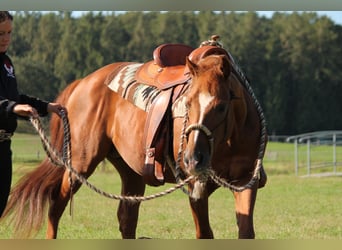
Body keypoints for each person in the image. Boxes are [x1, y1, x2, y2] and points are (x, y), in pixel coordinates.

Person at [0, 11, 65, 217]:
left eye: (9, 32)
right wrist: (12, 108)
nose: (6, 38)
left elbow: (16, 97)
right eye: (0, 33)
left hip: (4, 147)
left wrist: (47, 107)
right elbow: (12, 104)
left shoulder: (6, 63)